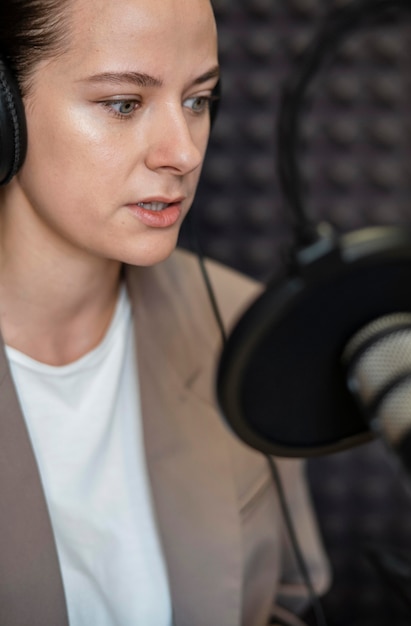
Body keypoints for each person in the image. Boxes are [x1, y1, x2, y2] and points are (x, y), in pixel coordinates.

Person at [0, 0, 330, 624]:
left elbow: (290, 601)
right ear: (4, 115)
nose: (182, 152)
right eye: (124, 104)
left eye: (198, 100)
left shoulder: (241, 326)